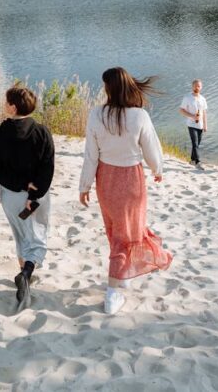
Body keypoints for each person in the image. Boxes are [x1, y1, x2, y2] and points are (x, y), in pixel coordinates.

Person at [79, 67, 173, 314]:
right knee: (129, 232)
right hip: (131, 179)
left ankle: (120, 278)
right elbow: (151, 148)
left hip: (105, 179)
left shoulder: (96, 114)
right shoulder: (139, 116)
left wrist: (85, 185)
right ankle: (113, 292)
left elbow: (91, 154)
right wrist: (157, 169)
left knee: (115, 231)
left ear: (110, 88)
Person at [0, 85, 55, 309]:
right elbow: (47, 167)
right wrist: (34, 192)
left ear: (13, 107)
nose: (4, 105)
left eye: (6, 102)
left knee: (20, 234)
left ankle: (23, 273)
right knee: (37, 236)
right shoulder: (42, 132)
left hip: (11, 194)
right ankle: (26, 274)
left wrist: (19, 185)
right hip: (37, 195)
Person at [178, 79, 208, 167]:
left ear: (201, 87)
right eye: (195, 85)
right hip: (191, 124)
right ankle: (198, 162)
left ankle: (192, 160)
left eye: (198, 86)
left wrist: (205, 125)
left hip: (200, 125)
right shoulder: (187, 98)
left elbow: (204, 113)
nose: (197, 87)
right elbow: (181, 110)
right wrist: (192, 116)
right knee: (195, 143)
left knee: (197, 144)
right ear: (192, 86)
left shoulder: (203, 99)